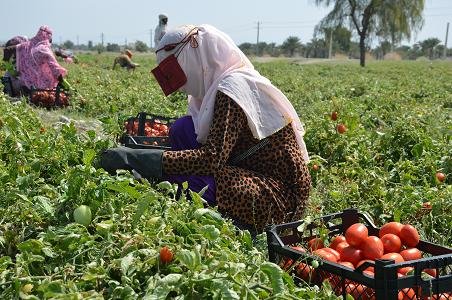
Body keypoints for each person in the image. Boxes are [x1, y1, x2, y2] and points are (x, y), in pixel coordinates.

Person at [101, 25, 311, 234]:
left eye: (172, 70)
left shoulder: (231, 89)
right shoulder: (216, 85)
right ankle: (186, 188)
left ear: (194, 57)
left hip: (280, 197)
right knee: (184, 128)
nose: (174, 83)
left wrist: (142, 160)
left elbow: (211, 159)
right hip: (249, 169)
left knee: (195, 182)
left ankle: (234, 219)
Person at [15, 25, 67, 92]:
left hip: (23, 85)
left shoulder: (24, 46)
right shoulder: (43, 49)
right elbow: (55, 69)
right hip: (39, 89)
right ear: (48, 36)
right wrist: (65, 84)